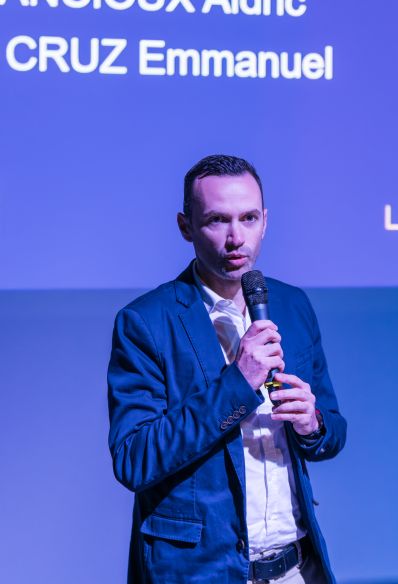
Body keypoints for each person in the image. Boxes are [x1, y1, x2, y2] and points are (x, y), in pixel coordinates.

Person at [107, 154, 347, 584]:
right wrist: (237, 383)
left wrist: (312, 425)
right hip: (201, 573)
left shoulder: (293, 305)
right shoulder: (145, 322)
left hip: (296, 567)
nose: (236, 238)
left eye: (248, 218)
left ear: (265, 221)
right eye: (218, 220)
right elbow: (134, 459)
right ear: (186, 227)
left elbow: (332, 432)